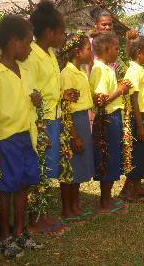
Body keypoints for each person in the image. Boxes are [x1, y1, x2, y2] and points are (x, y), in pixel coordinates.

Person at [0, 15, 43, 258]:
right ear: (14, 42)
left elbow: (30, 97)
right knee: (6, 189)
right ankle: (4, 237)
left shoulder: (25, 69)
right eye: (28, 43)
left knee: (23, 185)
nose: (31, 48)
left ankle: (20, 233)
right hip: (6, 137)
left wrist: (37, 99)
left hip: (26, 135)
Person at [24, 0, 75, 235]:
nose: (63, 36)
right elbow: (30, 90)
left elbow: (48, 88)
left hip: (53, 118)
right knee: (38, 171)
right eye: (62, 32)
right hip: (39, 121)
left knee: (45, 171)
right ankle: (35, 220)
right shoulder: (31, 55)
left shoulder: (51, 54)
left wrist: (62, 95)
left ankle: (42, 215)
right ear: (49, 32)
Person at [89, 31, 131, 213]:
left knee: (113, 158)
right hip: (106, 118)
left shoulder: (106, 67)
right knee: (107, 158)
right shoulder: (99, 68)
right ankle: (105, 201)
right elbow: (100, 100)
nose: (118, 51)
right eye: (116, 48)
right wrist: (120, 90)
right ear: (106, 49)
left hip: (113, 116)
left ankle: (108, 198)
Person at [58, 32, 96, 221]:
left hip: (82, 120)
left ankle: (75, 205)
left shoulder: (80, 72)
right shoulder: (67, 74)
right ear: (77, 52)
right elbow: (66, 108)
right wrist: (74, 135)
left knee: (79, 166)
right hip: (73, 123)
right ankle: (67, 209)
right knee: (70, 168)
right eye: (88, 49)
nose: (91, 53)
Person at [120, 30, 144, 202]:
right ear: (140, 53)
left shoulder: (140, 69)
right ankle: (129, 190)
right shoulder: (134, 70)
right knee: (137, 153)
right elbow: (133, 98)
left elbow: (143, 93)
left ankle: (137, 188)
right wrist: (140, 125)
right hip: (138, 117)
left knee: (143, 153)